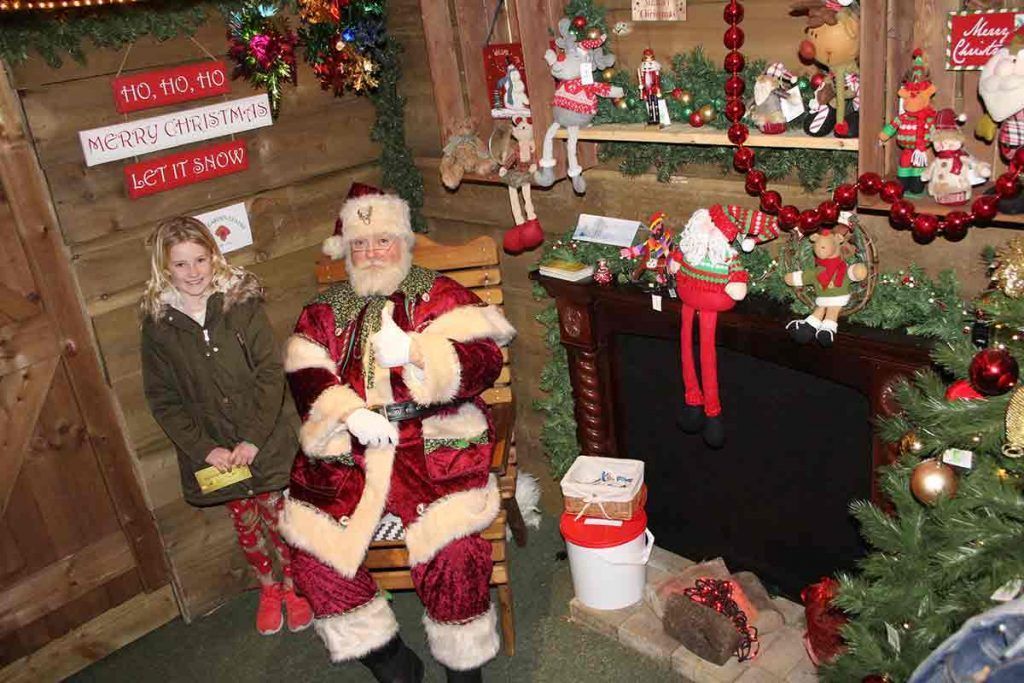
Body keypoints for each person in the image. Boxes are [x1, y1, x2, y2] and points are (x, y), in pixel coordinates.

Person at [278, 184, 516, 683]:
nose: (371, 253)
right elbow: (305, 373)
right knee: (313, 553)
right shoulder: (324, 310)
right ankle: (391, 662)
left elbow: (485, 360)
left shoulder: (441, 294)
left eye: (382, 241)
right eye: (360, 244)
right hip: (351, 453)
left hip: (432, 444)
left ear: (402, 242)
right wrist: (347, 411)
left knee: (453, 550)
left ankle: (463, 669)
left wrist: (416, 351)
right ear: (346, 251)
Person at [140, 216, 312, 636]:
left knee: (280, 516)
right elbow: (163, 398)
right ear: (165, 269)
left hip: (262, 441)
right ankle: (268, 588)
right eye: (181, 265)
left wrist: (254, 437)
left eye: (200, 260)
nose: (193, 272)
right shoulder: (158, 326)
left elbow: (270, 373)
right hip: (216, 452)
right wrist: (204, 449)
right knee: (246, 522)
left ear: (214, 257)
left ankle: (295, 587)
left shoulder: (240, 305)